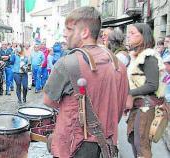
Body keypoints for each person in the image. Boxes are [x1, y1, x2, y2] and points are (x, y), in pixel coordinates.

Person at [43, 6, 129, 157]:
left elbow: (48, 101)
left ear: (84, 32)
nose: (65, 34)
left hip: (72, 147)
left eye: (69, 29)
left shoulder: (67, 63)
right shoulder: (118, 65)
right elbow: (123, 106)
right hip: (106, 146)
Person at [125, 23, 165, 158]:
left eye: (133, 33)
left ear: (143, 36)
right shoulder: (137, 55)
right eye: (128, 33)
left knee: (142, 145)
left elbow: (152, 85)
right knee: (135, 141)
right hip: (139, 106)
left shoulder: (149, 56)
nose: (128, 36)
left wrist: (129, 94)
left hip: (146, 107)